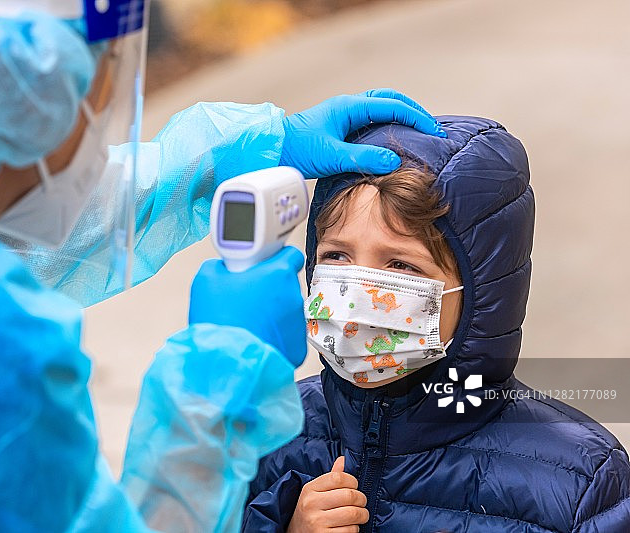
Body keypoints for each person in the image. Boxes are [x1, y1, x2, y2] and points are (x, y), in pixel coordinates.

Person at [0, 0, 447, 531]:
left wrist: (236, 153)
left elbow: (36, 230)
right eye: (96, 73)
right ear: (40, 86)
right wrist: (217, 382)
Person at [242, 116, 630, 532]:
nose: (356, 296)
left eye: (400, 265)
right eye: (337, 255)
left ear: (484, 291)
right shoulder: (267, 434)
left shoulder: (581, 483)